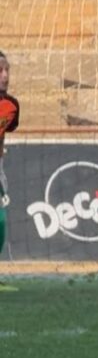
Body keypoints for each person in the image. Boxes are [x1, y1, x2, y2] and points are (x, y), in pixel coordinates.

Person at [0, 50, 18, 293]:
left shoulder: (10, 106)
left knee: (1, 222)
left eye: (7, 70)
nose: (5, 76)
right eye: (0, 71)